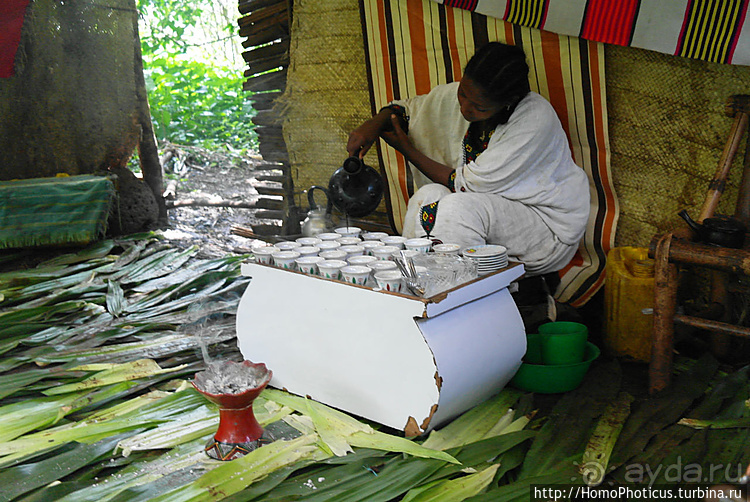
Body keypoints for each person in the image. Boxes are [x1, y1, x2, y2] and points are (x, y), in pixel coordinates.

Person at [346, 42, 590, 276]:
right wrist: (373, 125)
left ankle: (464, 294)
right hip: (484, 218)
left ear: (508, 103)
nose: (464, 107)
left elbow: (465, 185)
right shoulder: (466, 96)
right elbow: (410, 111)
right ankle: (419, 282)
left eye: (479, 108)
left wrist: (406, 149)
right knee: (426, 196)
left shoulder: (534, 120)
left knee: (457, 209)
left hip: (544, 229)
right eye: (462, 93)